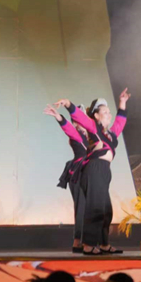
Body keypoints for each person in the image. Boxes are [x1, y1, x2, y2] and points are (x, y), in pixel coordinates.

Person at [56, 88, 130, 255]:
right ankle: (88, 245)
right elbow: (80, 117)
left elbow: (120, 122)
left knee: (106, 210)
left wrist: (122, 103)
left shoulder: (110, 135)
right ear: (96, 115)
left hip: (104, 172)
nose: (109, 115)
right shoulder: (94, 129)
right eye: (105, 112)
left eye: (109, 112)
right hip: (94, 169)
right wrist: (68, 104)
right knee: (95, 208)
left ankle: (104, 243)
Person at [44, 103, 90, 253]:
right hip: (78, 173)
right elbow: (67, 128)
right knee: (81, 207)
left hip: (88, 173)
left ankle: (83, 241)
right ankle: (78, 240)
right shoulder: (76, 133)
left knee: (87, 207)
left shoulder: (89, 135)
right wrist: (59, 117)